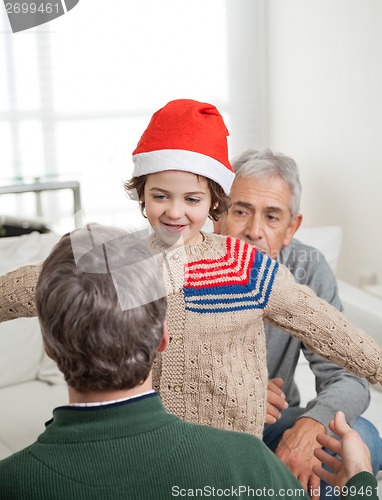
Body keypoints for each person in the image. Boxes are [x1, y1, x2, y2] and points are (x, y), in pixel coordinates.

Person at [0, 99, 381, 445]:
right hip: (147, 436)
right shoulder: (123, 256)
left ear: (216, 200)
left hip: (231, 446)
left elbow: (326, 327)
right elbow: (43, 279)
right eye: (160, 196)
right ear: (142, 195)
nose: (174, 212)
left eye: (192, 199)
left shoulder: (242, 264)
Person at [0, 224, 377, 499]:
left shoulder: (13, 482)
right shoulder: (244, 463)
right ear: (164, 338)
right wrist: (359, 479)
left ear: (49, 348)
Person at [213, 148, 382, 498]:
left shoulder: (306, 269)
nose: (254, 231)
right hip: (203, 433)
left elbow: (347, 375)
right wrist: (234, 396)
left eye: (272, 217)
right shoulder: (183, 267)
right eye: (241, 211)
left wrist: (312, 424)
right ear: (218, 215)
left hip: (275, 426)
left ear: (291, 228)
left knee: (363, 438)